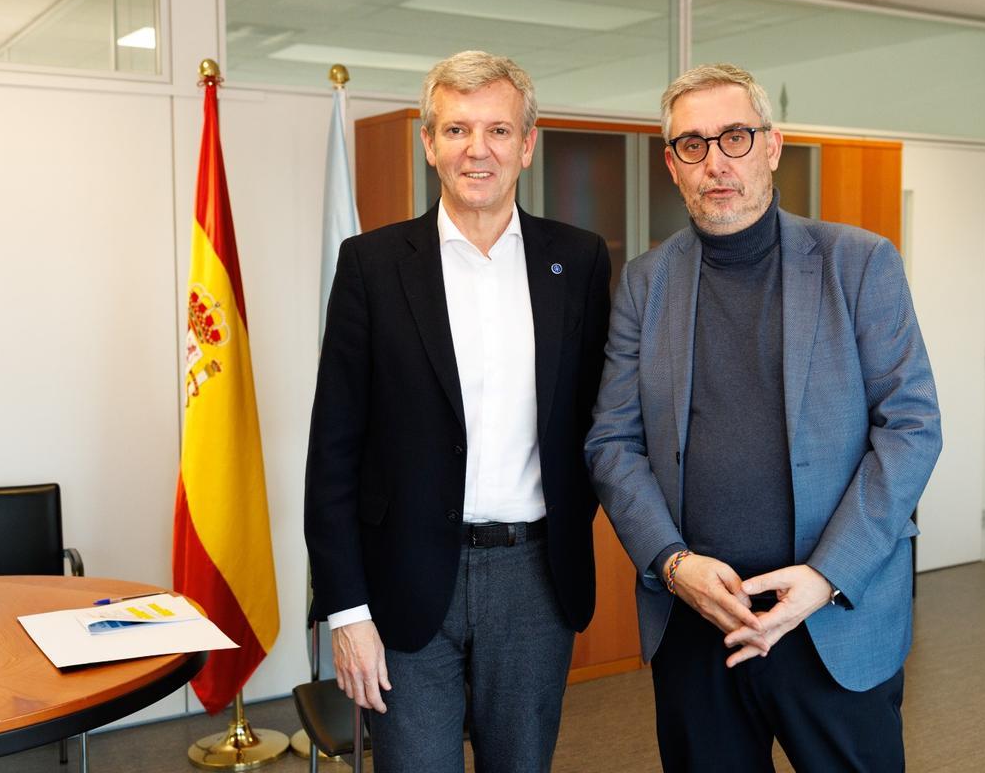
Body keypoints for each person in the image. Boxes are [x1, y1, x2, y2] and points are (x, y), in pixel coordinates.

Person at [585, 63, 942, 771]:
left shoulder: (859, 264)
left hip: (830, 618)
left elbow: (911, 429)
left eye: (735, 137)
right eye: (692, 145)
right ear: (672, 164)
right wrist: (671, 563)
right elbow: (612, 442)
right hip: (699, 622)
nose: (715, 162)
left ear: (771, 146)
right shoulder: (646, 283)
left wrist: (827, 575)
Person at [305, 50, 610, 773]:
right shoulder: (371, 267)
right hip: (404, 582)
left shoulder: (581, 261)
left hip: (535, 579)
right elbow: (333, 453)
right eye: (457, 130)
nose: (478, 150)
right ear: (428, 142)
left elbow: (599, 424)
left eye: (499, 131)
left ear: (528, 145)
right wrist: (346, 612)